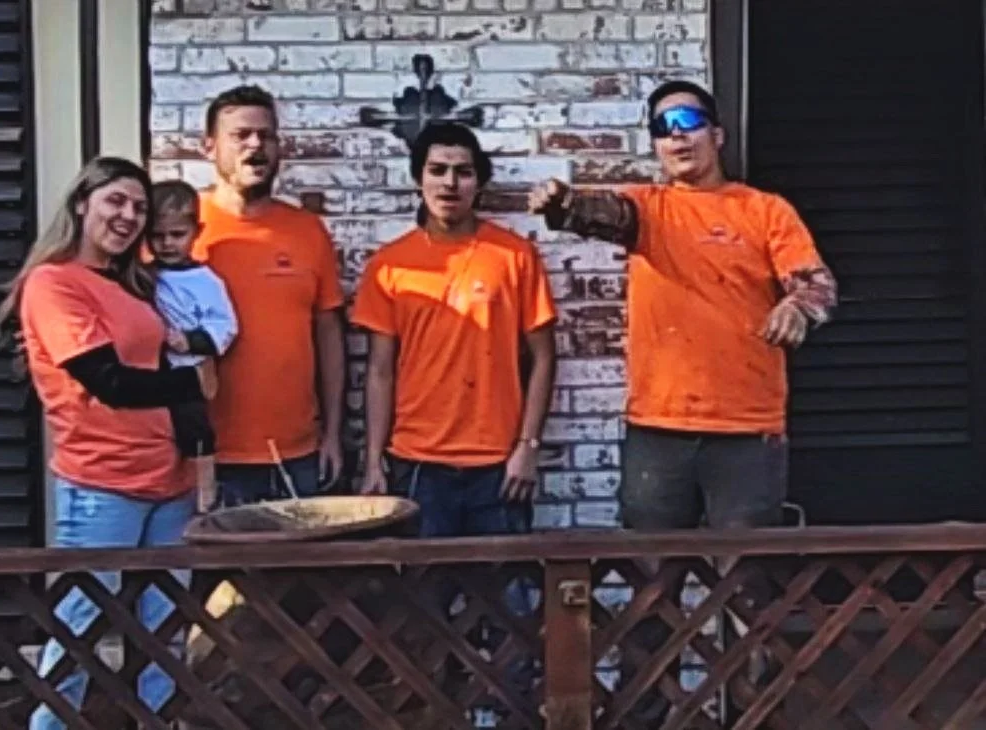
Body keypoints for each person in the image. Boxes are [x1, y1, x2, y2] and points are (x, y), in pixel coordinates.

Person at [530, 79, 838, 724]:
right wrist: (561, 205)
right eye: (662, 125)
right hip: (658, 434)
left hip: (747, 435)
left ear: (716, 135)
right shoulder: (648, 208)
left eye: (688, 120)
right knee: (650, 595)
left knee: (751, 598)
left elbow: (816, 285)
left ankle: (755, 718)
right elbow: (602, 214)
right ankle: (651, 717)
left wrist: (796, 305)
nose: (676, 134)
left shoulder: (764, 211)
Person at [0, 157, 214, 729]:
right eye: (116, 201)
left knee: (165, 635)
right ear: (81, 204)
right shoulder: (54, 283)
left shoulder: (131, 284)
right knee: (79, 629)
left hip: (168, 479)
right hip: (102, 483)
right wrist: (194, 381)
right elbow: (108, 383)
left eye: (139, 207)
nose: (128, 216)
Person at [354, 120, 557, 540]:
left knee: (509, 602)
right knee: (424, 601)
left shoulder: (513, 256)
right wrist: (373, 460)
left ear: (478, 183)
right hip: (417, 463)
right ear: (418, 179)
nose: (450, 183)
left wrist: (527, 448)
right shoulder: (390, 265)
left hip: (498, 464)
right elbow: (379, 371)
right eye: (438, 170)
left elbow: (543, 357)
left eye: (463, 172)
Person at [192, 84, 347, 504]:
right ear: (209, 148)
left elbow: (329, 339)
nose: (256, 145)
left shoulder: (307, 231)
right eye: (240, 135)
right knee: (218, 572)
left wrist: (332, 435)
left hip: (298, 453)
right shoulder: (181, 230)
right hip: (206, 456)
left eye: (267, 135)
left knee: (297, 571)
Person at [149, 179, 238, 512]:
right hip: (152, 370)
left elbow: (225, 327)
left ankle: (205, 490)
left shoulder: (207, 281)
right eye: (158, 236)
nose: (167, 244)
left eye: (176, 235)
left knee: (194, 425)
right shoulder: (142, 276)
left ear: (196, 232)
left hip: (188, 368)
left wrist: (191, 341)